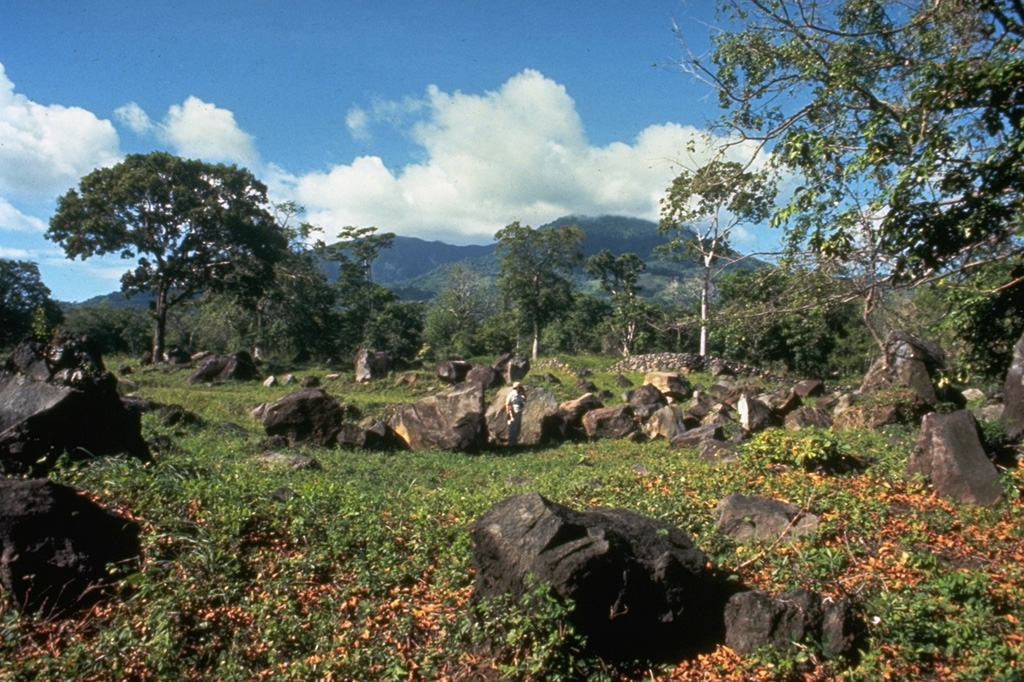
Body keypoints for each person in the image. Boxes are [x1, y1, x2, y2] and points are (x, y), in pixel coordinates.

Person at [504, 382, 526, 448]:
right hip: (513, 413)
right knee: (512, 427)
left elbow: (524, 401)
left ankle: (515, 442)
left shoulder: (519, 395)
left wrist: (524, 393)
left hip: (519, 412)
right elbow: (507, 404)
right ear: (518, 387)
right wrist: (508, 413)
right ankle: (511, 443)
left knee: (517, 427)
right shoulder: (511, 394)